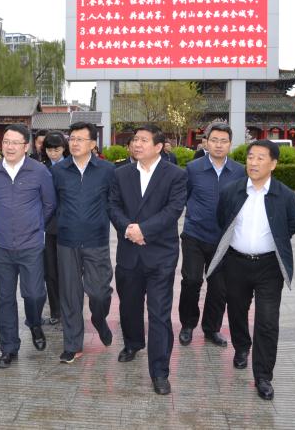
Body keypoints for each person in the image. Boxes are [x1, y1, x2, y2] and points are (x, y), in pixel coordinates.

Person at [206, 140, 295, 401]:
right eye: (250, 157)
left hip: (269, 266)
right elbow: (222, 219)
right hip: (236, 263)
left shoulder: (285, 196)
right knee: (237, 310)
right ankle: (241, 347)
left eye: (260, 158)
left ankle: (263, 376)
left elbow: (291, 225)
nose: (253, 163)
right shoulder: (232, 191)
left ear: (273, 164)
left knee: (267, 320)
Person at [108, 124, 187, 395]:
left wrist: (144, 230)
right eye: (135, 140)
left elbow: (173, 210)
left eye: (143, 140)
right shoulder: (121, 174)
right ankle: (133, 343)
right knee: (129, 306)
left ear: (158, 146)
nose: (137, 144)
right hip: (129, 252)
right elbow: (113, 206)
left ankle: (160, 371)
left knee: (159, 314)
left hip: (160, 254)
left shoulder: (175, 175)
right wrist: (129, 230)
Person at [0, 124, 56, 369]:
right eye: (6, 142)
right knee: (5, 299)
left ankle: (34, 322)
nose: (9, 147)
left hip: (31, 244)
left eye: (15, 142)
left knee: (34, 294)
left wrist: (34, 226)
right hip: (1, 246)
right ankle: (8, 348)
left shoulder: (39, 171)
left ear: (26, 146)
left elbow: (49, 205)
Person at [51, 122, 116, 364]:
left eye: (80, 139)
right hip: (66, 241)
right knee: (70, 295)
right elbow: (51, 203)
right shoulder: (59, 171)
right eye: (72, 139)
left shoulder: (107, 170)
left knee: (99, 293)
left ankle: (99, 319)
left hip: (96, 240)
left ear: (92, 144)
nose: (75, 143)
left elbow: (114, 203)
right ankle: (72, 345)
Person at [178, 122, 245, 348]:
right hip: (194, 235)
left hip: (224, 240)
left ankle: (211, 329)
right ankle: (188, 325)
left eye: (223, 141)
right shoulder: (193, 168)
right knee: (191, 281)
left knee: (219, 287)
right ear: (206, 142)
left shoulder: (239, 171)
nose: (218, 145)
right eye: (214, 140)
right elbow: (184, 197)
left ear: (230, 144)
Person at [40, 131, 68, 325]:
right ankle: (56, 310)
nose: (53, 153)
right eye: (49, 150)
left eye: (56, 149)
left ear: (63, 149)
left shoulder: (71, 166)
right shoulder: (42, 168)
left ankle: (70, 307)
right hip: (48, 226)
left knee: (69, 271)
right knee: (50, 270)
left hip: (69, 225)